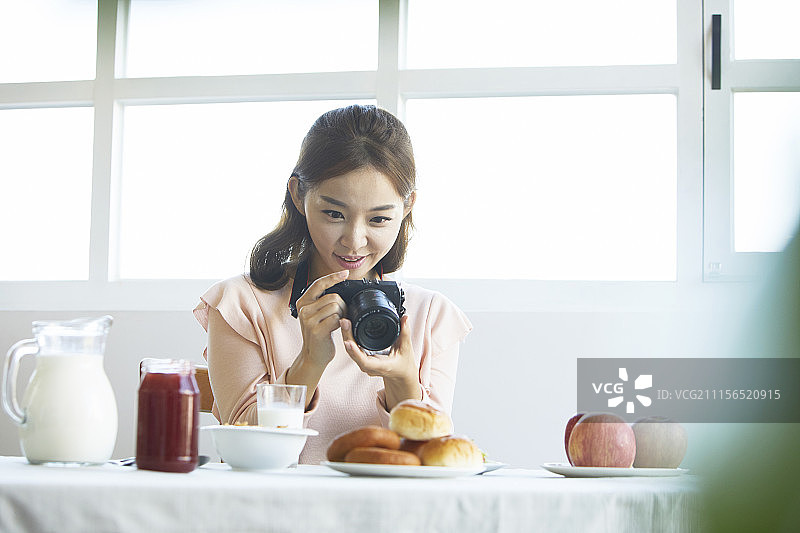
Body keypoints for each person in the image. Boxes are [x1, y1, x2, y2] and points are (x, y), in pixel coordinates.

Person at [193, 104, 472, 464]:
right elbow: (245, 452)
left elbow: (434, 461)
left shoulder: (431, 316)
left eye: (379, 219)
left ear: (407, 208)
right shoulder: (241, 305)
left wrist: (402, 380)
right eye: (334, 214)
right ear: (298, 195)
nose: (354, 241)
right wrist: (309, 362)